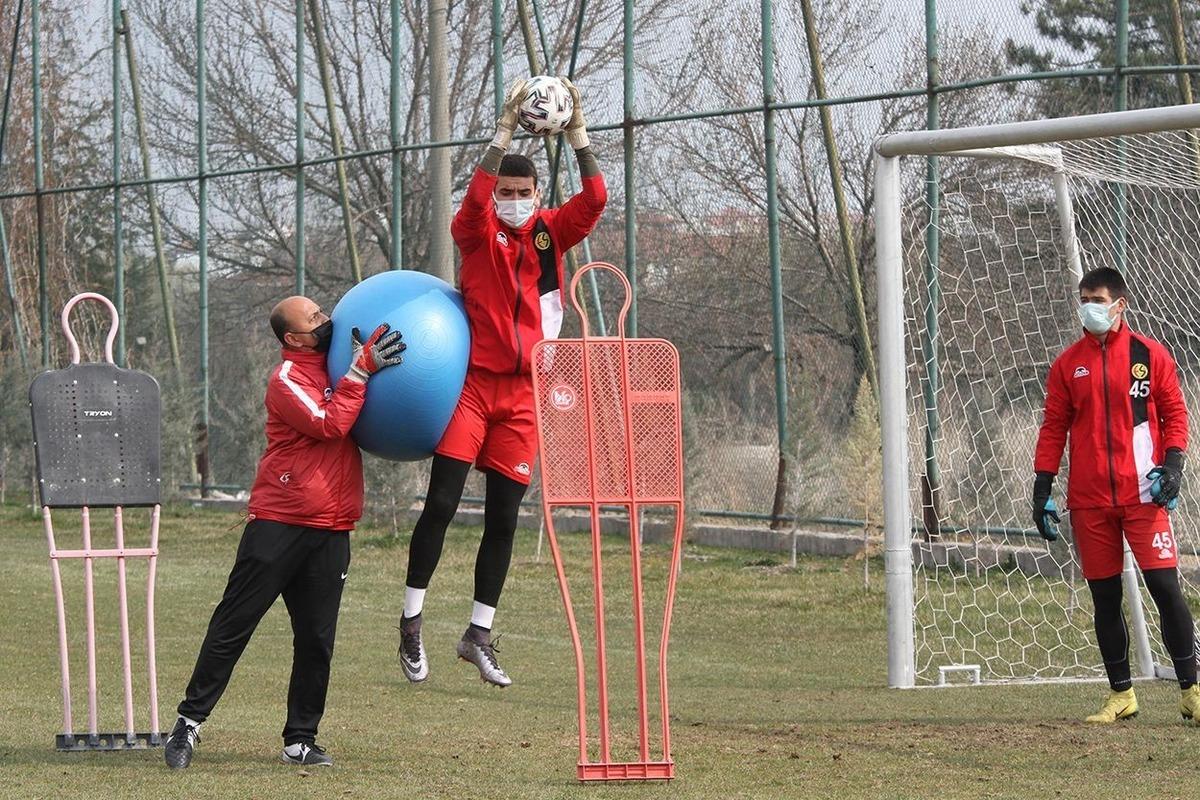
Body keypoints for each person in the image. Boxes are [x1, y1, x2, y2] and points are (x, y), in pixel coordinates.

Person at [396, 77, 607, 687]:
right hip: (473, 386)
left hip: (523, 397)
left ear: (539, 193)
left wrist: (579, 133)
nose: (513, 199)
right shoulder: (476, 232)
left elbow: (593, 200)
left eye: (524, 191)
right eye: (507, 191)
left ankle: (477, 635)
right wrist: (505, 129)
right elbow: (474, 201)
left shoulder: (549, 233)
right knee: (440, 503)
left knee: (505, 519)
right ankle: (411, 622)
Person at [163, 296, 406, 769]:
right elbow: (329, 423)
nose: (325, 321)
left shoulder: (338, 368)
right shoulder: (287, 380)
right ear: (293, 338)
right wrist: (359, 373)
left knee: (316, 638)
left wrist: (364, 364)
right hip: (279, 522)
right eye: (314, 319)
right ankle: (188, 725)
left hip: (333, 527)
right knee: (233, 626)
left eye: (321, 312)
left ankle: (300, 739)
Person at [1033, 267, 1199, 724]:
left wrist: (1174, 467)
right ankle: (1121, 694)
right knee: (1104, 598)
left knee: (1166, 588)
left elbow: (1175, 415)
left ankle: (1191, 689)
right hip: (1089, 502)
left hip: (1144, 496)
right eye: (1084, 298)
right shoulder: (1068, 365)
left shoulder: (1151, 355)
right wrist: (1042, 487)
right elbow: (1052, 429)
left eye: (1098, 299)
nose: (1090, 306)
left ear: (1119, 304)